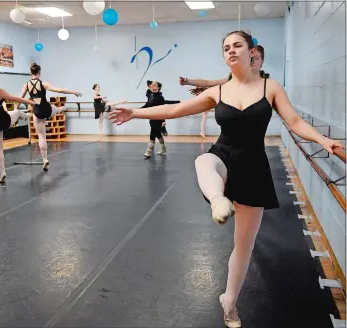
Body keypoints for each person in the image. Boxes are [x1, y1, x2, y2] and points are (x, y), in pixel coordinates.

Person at [109, 31, 344, 327]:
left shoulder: (270, 87)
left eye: (237, 46)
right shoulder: (218, 91)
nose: (231, 51)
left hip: (254, 167)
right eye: (225, 48)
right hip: (224, 156)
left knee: (243, 246)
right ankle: (218, 200)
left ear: (251, 52)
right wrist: (134, 113)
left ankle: (229, 302)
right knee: (203, 161)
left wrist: (324, 141)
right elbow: (175, 109)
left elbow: (294, 122)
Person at [179, 45, 267, 139]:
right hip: (230, 137)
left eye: (256, 59)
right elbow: (210, 82)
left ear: (262, 62)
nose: (252, 62)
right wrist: (188, 81)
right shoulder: (233, 80)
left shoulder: (267, 85)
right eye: (250, 58)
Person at [17, 62, 82, 171]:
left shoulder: (26, 85)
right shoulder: (43, 83)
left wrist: (16, 109)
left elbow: (20, 98)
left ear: (30, 73)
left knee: (41, 136)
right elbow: (59, 90)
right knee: (55, 109)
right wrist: (73, 92)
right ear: (39, 73)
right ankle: (62, 108)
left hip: (37, 111)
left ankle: (45, 159)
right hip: (46, 109)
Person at [141, 80, 180, 158]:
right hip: (152, 118)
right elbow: (147, 104)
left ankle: (148, 151)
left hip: (158, 119)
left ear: (158, 87)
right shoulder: (150, 96)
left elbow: (163, 109)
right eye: (152, 85)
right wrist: (137, 110)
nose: (152, 85)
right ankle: (163, 149)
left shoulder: (160, 97)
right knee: (158, 134)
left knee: (152, 134)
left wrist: (163, 121)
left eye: (155, 85)